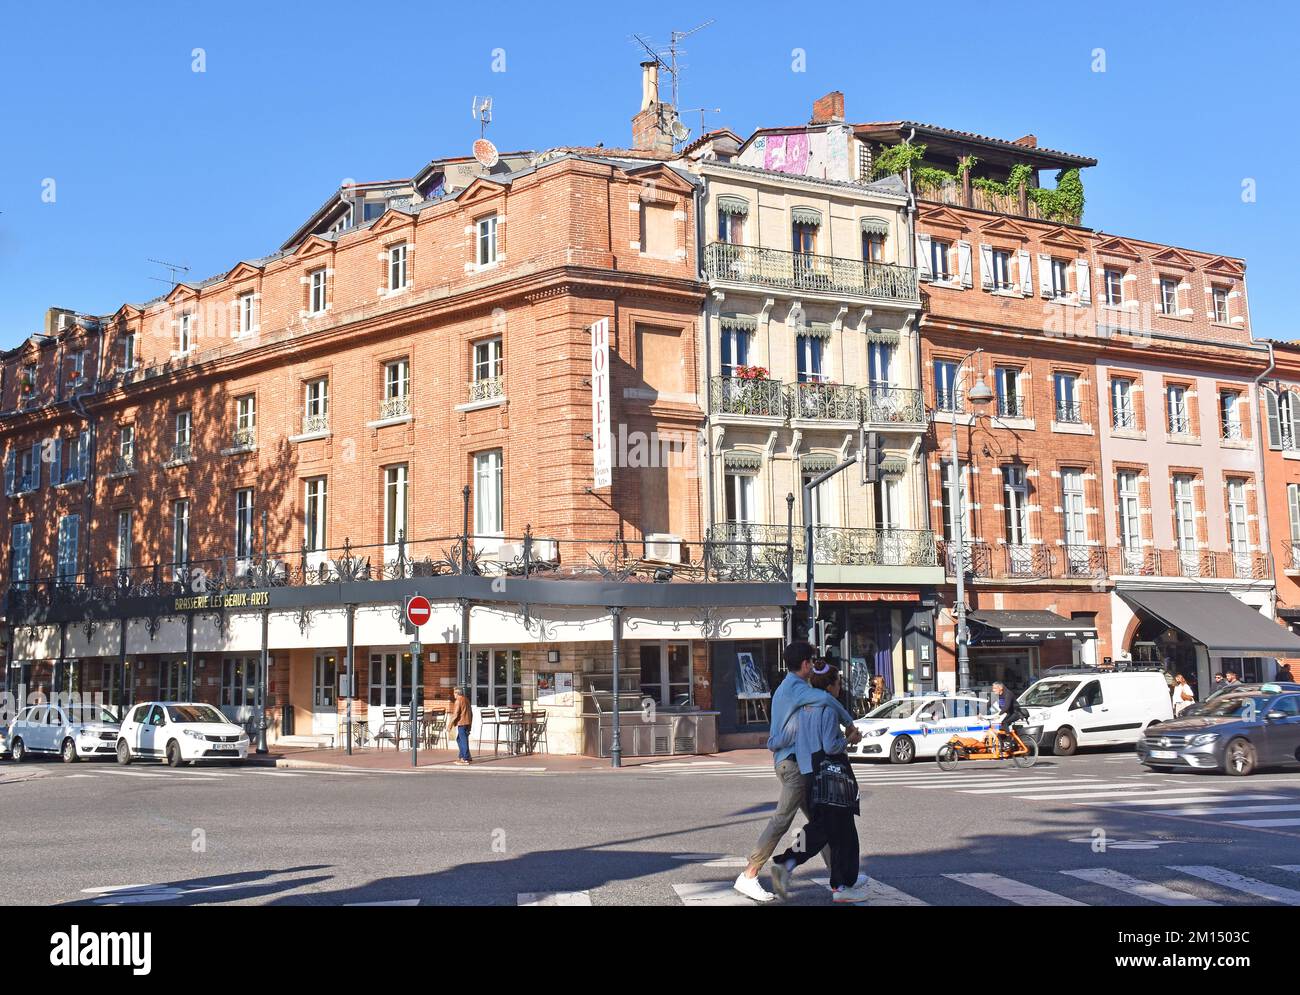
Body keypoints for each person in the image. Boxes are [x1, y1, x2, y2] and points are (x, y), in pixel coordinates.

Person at [733, 640, 861, 903]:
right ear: (804, 664)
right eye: (812, 662)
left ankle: (839, 878)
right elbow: (826, 698)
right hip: (793, 765)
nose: (813, 667)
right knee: (787, 820)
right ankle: (750, 874)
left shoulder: (786, 687)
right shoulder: (798, 689)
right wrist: (849, 723)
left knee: (823, 823)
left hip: (791, 762)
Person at [770, 663, 869, 904]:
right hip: (832, 777)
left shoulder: (805, 708)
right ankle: (840, 885)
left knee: (824, 830)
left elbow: (795, 739)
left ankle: (842, 878)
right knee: (840, 834)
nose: (840, 687)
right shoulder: (827, 708)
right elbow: (830, 745)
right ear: (831, 685)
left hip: (812, 773)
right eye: (838, 683)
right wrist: (849, 738)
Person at [990, 681, 1027, 753]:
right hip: (1009, 713)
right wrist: (981, 713)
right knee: (1000, 726)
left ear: (1000, 688)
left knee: (1005, 722)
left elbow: (1006, 707)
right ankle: (1005, 743)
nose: (993, 690)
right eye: (993, 688)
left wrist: (999, 714)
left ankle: (1009, 742)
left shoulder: (1008, 694)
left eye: (995, 688)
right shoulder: (997, 695)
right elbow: (990, 703)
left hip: (1016, 712)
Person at [447, 686, 473, 765]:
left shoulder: (458, 701)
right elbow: (471, 713)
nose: (453, 695)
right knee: (460, 739)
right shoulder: (466, 699)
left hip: (462, 723)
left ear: (457, 693)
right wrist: (470, 724)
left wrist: (450, 725)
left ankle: (465, 759)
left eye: (454, 693)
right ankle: (465, 756)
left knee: (462, 740)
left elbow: (455, 714)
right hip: (467, 722)